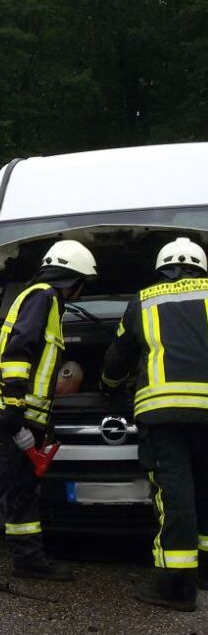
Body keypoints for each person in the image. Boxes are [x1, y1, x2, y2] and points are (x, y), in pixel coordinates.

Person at [0, 240, 98, 593]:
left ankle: (28, 558)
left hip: (24, 416)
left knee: (22, 493)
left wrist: (35, 421)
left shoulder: (47, 301)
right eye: (81, 285)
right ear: (72, 279)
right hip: (8, 412)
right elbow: (20, 348)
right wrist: (14, 406)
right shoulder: (42, 298)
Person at [102, 237, 208, 611]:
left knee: (175, 493)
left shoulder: (145, 299)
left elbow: (119, 356)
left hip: (164, 414)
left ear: (163, 268)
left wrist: (109, 386)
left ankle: (177, 586)